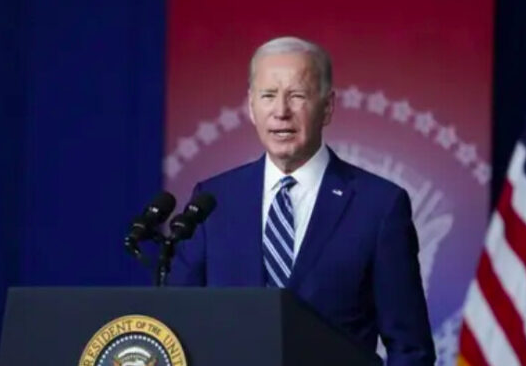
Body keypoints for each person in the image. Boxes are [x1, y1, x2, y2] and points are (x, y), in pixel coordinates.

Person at [171, 36, 435, 365]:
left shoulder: (379, 206)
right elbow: (177, 325)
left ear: (327, 107)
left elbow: (410, 348)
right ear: (252, 107)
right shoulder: (213, 201)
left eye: (297, 96)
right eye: (268, 96)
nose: (281, 112)